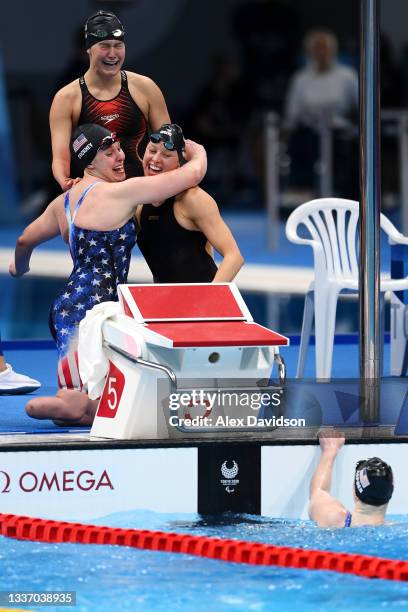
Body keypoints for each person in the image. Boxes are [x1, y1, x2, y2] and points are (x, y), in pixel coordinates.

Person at [9, 123, 207, 422]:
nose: (120, 158)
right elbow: (190, 176)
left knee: (94, 380)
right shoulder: (122, 193)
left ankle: (82, 406)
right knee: (76, 393)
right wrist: (199, 154)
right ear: (89, 162)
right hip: (94, 309)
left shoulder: (64, 203)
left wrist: (18, 267)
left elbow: (26, 239)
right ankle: (70, 405)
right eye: (109, 154)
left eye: (119, 150)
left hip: (73, 303)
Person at [50, 10, 170, 191]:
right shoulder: (66, 99)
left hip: (143, 194)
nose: (112, 54)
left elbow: (169, 146)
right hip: (98, 199)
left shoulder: (145, 88)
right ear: (88, 49)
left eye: (118, 46)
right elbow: (60, 158)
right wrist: (65, 182)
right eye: (104, 46)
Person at [136, 124, 244, 282]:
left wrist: (208, 300)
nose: (155, 159)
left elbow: (234, 257)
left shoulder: (192, 199)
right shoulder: (138, 203)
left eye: (166, 155)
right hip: (166, 302)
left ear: (179, 164)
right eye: (152, 151)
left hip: (203, 301)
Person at [283, 29, 359, 197]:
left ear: (333, 51)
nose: (322, 53)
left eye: (325, 48)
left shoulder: (348, 76)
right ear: (310, 52)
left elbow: (360, 107)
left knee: (350, 151)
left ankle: (346, 194)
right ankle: (302, 193)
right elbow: (292, 114)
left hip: (340, 133)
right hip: (310, 132)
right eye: (317, 49)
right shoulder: (300, 79)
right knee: (299, 145)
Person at [309, 430, 394, 528]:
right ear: (392, 490)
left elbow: (318, 492)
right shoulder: (397, 529)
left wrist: (330, 449)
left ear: (354, 492)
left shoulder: (334, 520)